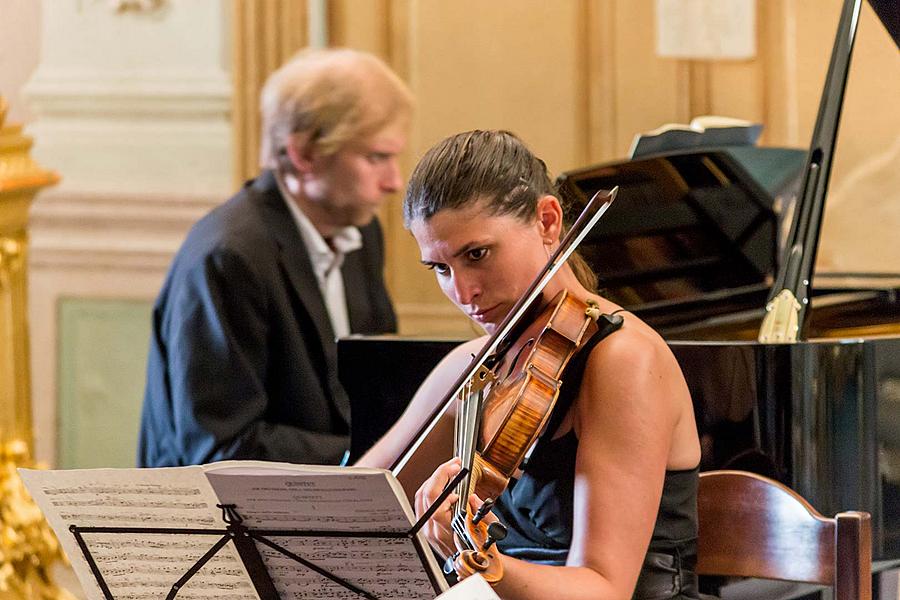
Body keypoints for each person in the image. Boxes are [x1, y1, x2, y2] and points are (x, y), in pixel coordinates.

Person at [358, 130, 704, 599]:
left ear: (547, 221)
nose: (463, 294)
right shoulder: (476, 363)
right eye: (440, 268)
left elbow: (605, 589)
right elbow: (355, 507)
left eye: (476, 255)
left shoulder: (624, 362)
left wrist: (489, 568)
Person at [138, 48, 413, 467]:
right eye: (376, 158)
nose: (394, 182)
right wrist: (371, 459)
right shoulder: (229, 257)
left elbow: (373, 386)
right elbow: (222, 450)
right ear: (303, 153)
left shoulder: (361, 228)